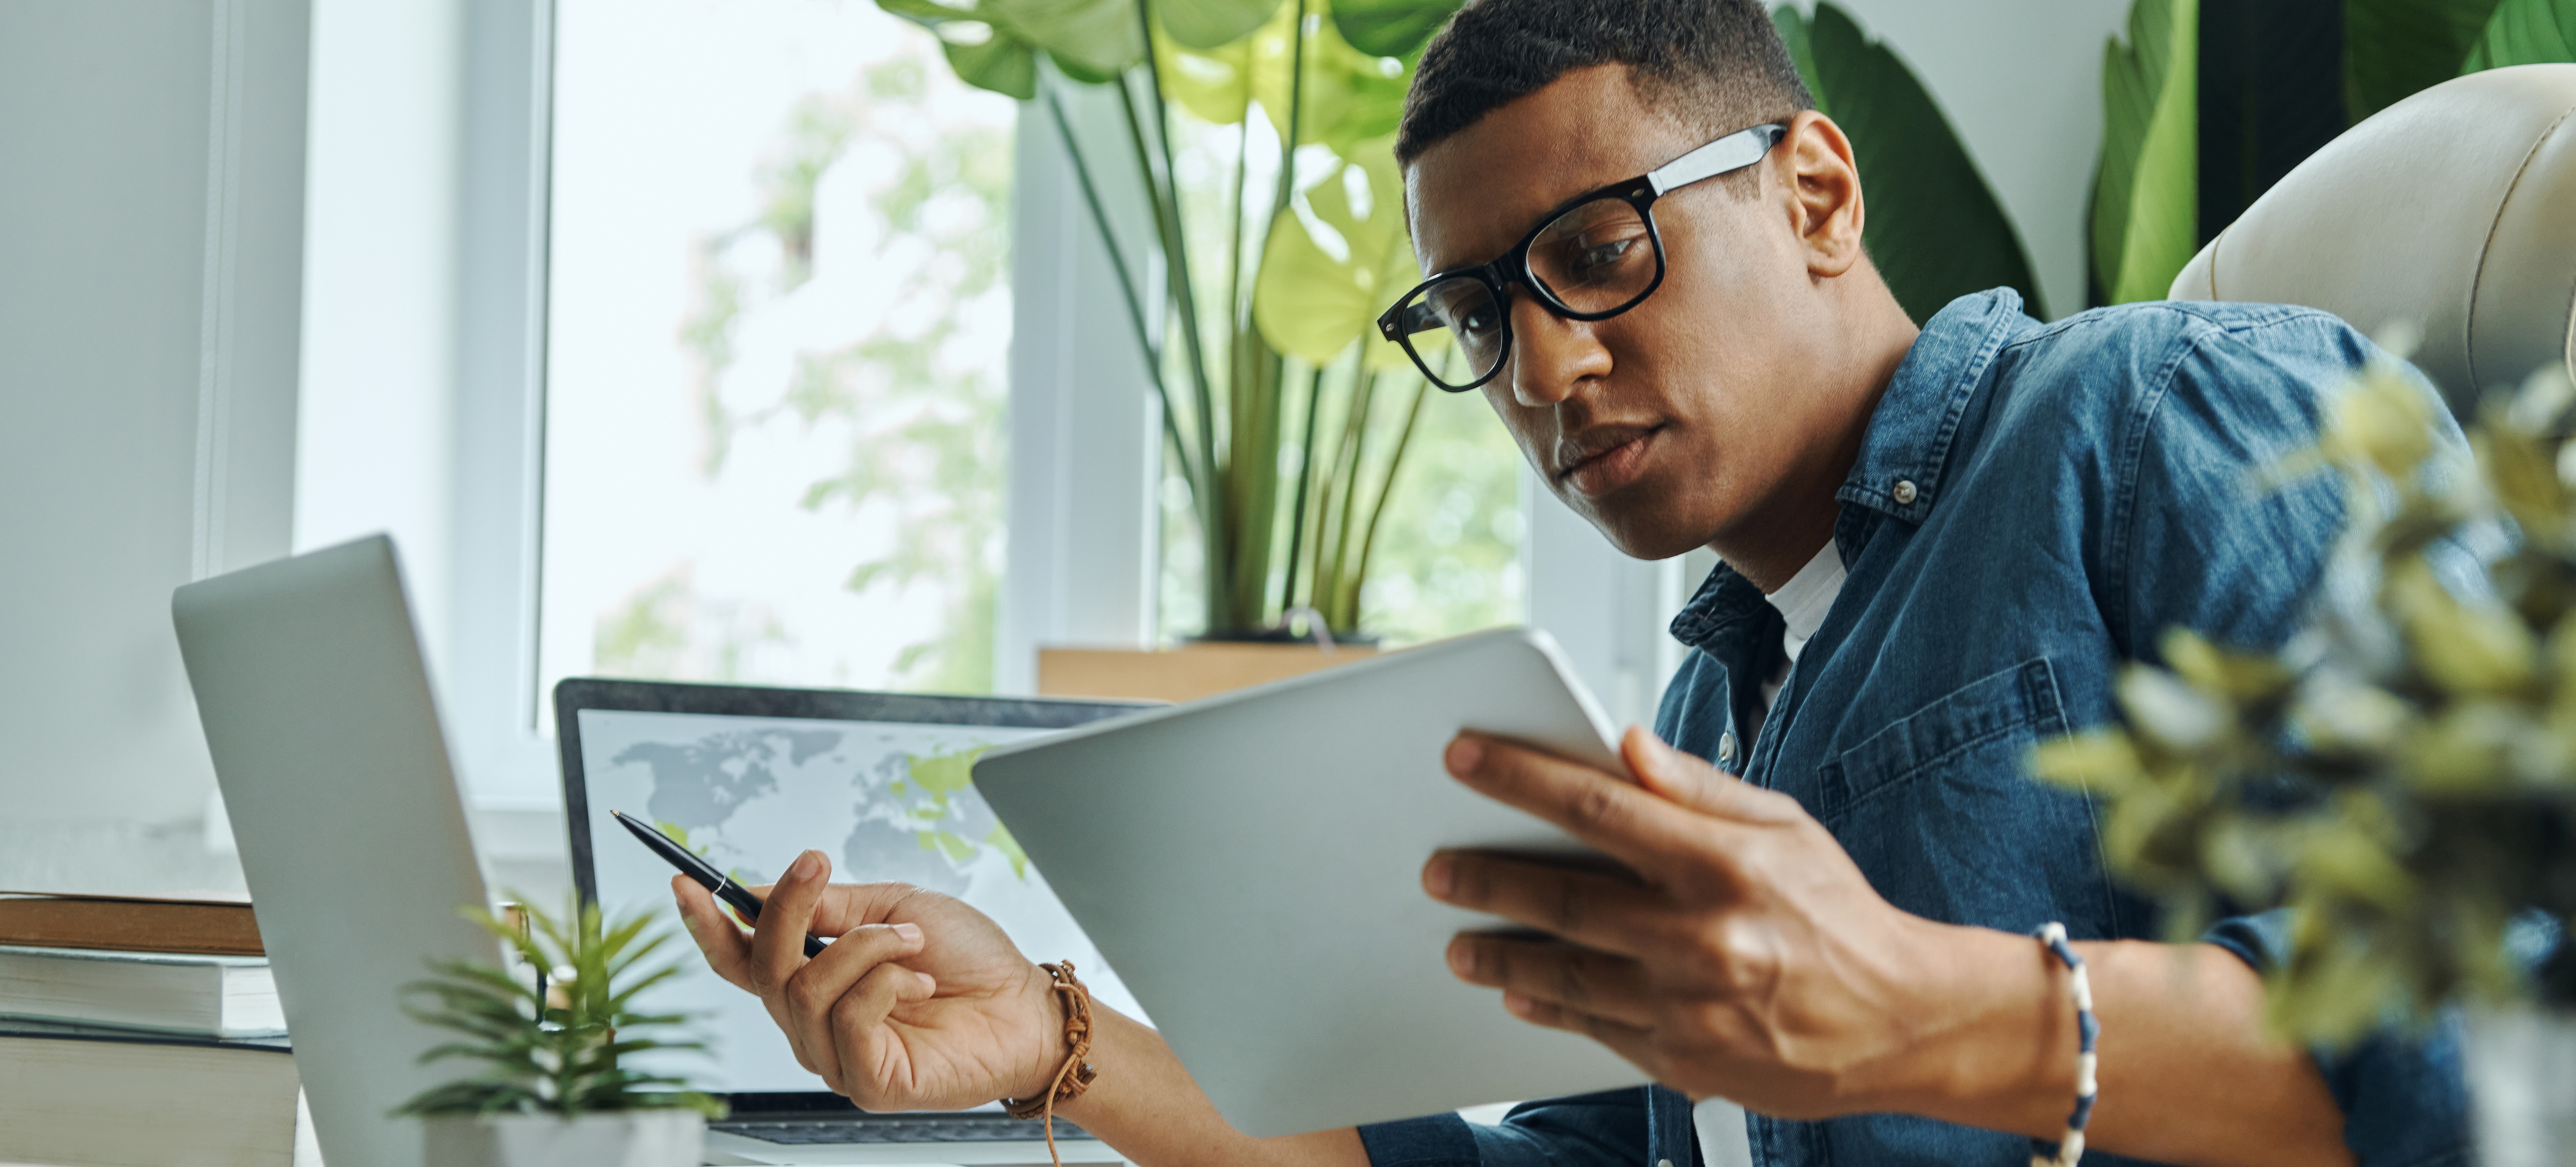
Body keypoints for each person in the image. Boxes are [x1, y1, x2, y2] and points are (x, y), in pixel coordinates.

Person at [673, 1, 2470, 1164]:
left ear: (1820, 193)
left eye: (1595, 257)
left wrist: (1925, 1006)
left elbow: (2499, 1014)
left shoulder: (2160, 415)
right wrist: (1054, 1044)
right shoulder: (1714, 707)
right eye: (1475, 315)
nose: (1537, 373)